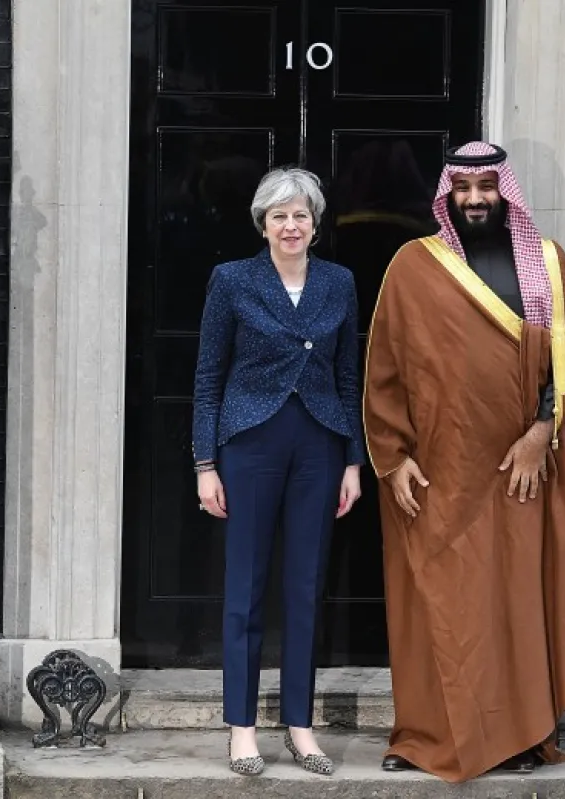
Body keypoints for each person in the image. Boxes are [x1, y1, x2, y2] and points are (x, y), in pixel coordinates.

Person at [362, 141, 565, 782]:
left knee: (515, 603)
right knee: (434, 604)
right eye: (464, 188)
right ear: (448, 195)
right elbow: (384, 369)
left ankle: (523, 737)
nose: (476, 198)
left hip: (523, 473)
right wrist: (391, 459)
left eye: (487, 187)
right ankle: (421, 736)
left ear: (506, 193)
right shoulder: (412, 267)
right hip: (438, 472)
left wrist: (539, 434)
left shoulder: (549, 267)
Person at [192, 166, 366, 777]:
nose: (290, 226)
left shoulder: (340, 283)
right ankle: (242, 730)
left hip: (319, 445)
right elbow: (209, 376)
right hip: (250, 446)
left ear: (315, 225)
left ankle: (300, 725)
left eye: (301, 216)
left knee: (304, 587)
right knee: (245, 588)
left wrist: (353, 460)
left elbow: (349, 377)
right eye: (279, 216)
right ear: (262, 224)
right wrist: (205, 464)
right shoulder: (232, 281)